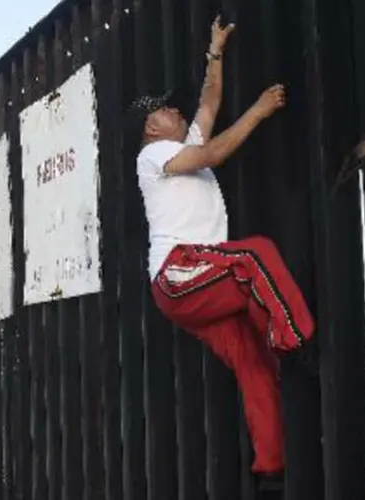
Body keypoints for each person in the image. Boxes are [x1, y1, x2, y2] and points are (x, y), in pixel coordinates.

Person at [127, 15, 316, 488]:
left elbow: (209, 101)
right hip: (180, 272)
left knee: (254, 364)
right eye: (168, 111)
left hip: (202, 283)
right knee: (253, 256)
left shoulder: (182, 142)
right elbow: (211, 155)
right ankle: (296, 342)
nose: (178, 111)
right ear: (151, 127)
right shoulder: (151, 157)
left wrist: (215, 51)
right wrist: (258, 110)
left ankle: (269, 469)